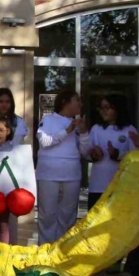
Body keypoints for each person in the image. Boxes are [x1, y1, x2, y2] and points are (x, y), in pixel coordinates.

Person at [36, 90, 88, 244]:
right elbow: (45, 142)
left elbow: (85, 152)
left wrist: (84, 133)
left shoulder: (79, 124)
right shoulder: (48, 120)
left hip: (72, 175)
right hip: (48, 175)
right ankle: (45, 253)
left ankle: (62, 253)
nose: (81, 103)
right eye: (77, 100)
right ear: (65, 102)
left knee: (68, 216)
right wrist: (67, 131)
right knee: (47, 216)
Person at [83, 95, 139, 211]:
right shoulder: (96, 129)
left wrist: (118, 154)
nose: (103, 111)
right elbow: (86, 154)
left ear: (117, 109)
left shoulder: (129, 129)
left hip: (121, 186)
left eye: (107, 107)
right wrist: (94, 155)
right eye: (101, 108)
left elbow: (136, 158)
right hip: (97, 186)